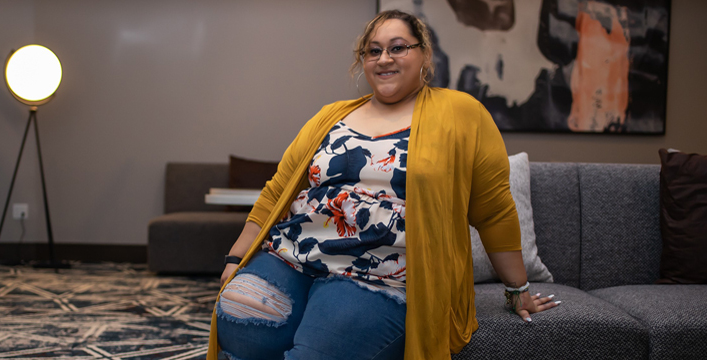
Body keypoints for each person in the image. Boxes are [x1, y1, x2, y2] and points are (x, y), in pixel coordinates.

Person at [208, 10, 559, 360]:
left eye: (397, 47)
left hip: (377, 276)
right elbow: (276, 192)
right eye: (373, 51)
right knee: (241, 322)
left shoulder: (462, 113)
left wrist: (518, 290)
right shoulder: (331, 115)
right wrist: (236, 258)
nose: (384, 59)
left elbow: (493, 210)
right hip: (291, 256)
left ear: (423, 54)